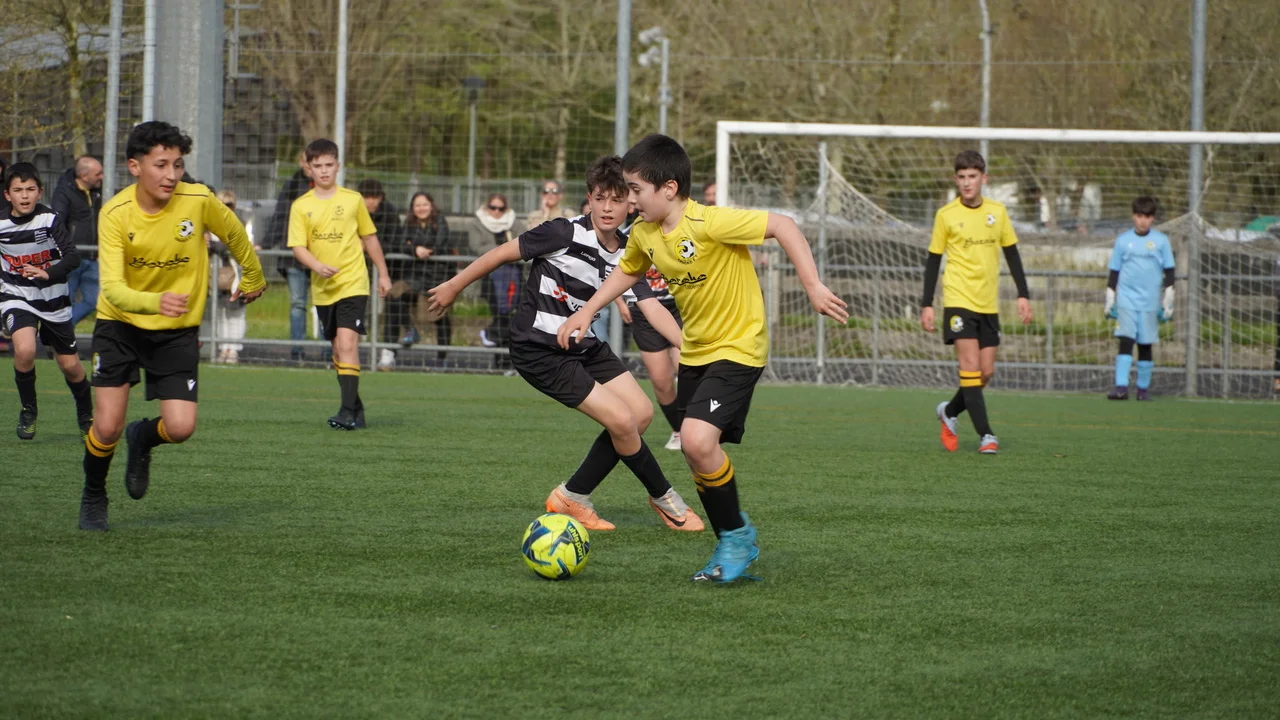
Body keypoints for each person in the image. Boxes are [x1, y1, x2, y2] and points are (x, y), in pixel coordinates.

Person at [557, 135, 848, 583]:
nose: (630, 200)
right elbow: (628, 271)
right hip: (696, 352)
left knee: (694, 440)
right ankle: (735, 536)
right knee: (698, 453)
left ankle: (735, 539)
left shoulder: (710, 222)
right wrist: (587, 310)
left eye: (635, 190)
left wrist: (812, 285)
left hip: (739, 347)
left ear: (669, 188)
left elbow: (784, 226)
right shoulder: (646, 234)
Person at [430, 155, 703, 533]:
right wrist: (453, 286)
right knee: (621, 420)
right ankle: (666, 499)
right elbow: (501, 253)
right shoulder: (562, 232)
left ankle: (572, 496)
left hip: (583, 344)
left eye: (617, 199)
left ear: (631, 204)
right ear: (589, 199)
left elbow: (651, 306)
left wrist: (689, 346)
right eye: (599, 198)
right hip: (539, 348)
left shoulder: (631, 249)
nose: (607, 208)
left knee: (640, 414)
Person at [78, 121, 266, 532]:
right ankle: (94, 495)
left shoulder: (197, 200)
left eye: (177, 165)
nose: (171, 175)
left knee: (180, 428)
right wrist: (155, 301)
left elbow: (234, 232)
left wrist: (252, 275)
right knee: (105, 427)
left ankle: (143, 437)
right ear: (135, 166)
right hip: (120, 325)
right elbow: (112, 289)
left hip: (176, 330)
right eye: (161, 165)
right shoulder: (115, 213)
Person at [920, 150, 1033, 455]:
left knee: (985, 373)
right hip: (958, 300)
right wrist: (927, 303)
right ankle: (987, 435)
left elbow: (1012, 254)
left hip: (988, 304)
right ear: (955, 180)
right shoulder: (946, 215)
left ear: (984, 178)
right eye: (961, 177)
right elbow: (933, 260)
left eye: (972, 176)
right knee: (969, 369)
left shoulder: (998, 212)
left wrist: (1023, 294)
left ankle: (949, 411)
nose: (967, 182)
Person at [288, 139, 391, 429]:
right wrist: (316, 266)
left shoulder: (353, 200)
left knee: (347, 343)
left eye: (328, 165)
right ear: (309, 169)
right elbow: (298, 246)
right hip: (323, 289)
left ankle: (346, 412)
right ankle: (356, 409)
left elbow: (370, 238)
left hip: (353, 282)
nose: (324, 170)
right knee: (337, 350)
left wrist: (383, 273)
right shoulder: (301, 206)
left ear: (338, 166)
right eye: (317, 165)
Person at [1, 162, 91, 440]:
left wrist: (47, 273)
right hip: (17, 296)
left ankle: (86, 414)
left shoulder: (49, 220)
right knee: (25, 350)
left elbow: (73, 258)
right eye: (18, 190)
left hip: (53, 300)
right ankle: (29, 410)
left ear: (40, 192)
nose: (24, 196)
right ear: (7, 195)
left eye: (30, 189)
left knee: (70, 367)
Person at [1104, 196, 1175, 401]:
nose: (1143, 221)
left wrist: (1169, 296)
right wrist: (1110, 296)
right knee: (1125, 341)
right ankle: (1121, 388)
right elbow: (1114, 270)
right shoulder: (1123, 241)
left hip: (1150, 302)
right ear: (1133, 216)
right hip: (1126, 300)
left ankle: (1143, 390)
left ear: (1153, 218)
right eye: (1139, 216)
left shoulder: (1161, 241)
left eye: (1147, 216)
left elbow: (1169, 270)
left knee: (1145, 344)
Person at [264, 151, 313, 359]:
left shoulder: (328, 189)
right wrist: (265, 243)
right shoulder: (291, 187)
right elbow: (280, 216)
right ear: (300, 162)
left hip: (322, 256)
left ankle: (330, 351)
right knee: (297, 304)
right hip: (294, 256)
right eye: (306, 161)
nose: (309, 165)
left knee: (326, 305)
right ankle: (297, 349)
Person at [357, 178, 407, 369]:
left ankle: (388, 352)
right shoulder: (352, 211)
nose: (371, 202)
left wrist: (369, 246)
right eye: (366, 197)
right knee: (353, 307)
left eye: (375, 197)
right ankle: (349, 350)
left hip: (388, 268)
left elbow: (395, 243)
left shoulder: (390, 213)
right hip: (358, 268)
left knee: (392, 307)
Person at [403, 191, 458, 359]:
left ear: (431, 206)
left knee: (440, 315)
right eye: (417, 205)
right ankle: (410, 330)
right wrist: (414, 249)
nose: (421, 208)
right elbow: (401, 243)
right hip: (415, 275)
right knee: (395, 295)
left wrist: (418, 246)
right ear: (412, 208)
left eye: (424, 204)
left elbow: (441, 243)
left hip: (439, 275)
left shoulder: (440, 221)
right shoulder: (409, 223)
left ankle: (442, 357)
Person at [50, 156, 103, 325]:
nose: (102, 177)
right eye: (98, 174)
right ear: (84, 176)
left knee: (93, 301)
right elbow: (57, 223)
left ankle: (61, 330)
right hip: (72, 257)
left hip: (93, 256)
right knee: (66, 302)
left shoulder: (98, 191)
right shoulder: (64, 192)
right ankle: (59, 334)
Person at [208, 189, 252, 364]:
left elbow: (233, 245)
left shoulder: (240, 224)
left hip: (237, 277)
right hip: (216, 277)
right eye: (221, 205)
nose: (225, 208)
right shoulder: (210, 225)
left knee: (236, 315)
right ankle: (223, 347)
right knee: (220, 314)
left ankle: (233, 349)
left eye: (229, 205)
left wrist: (215, 246)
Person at [474, 193, 519, 358]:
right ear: (487, 207)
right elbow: (477, 247)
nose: (497, 212)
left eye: (501, 208)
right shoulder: (478, 223)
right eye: (493, 208)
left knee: (509, 316)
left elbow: (524, 241)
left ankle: (502, 357)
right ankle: (497, 354)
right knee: (499, 314)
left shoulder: (513, 222)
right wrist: (504, 250)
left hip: (513, 277)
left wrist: (504, 250)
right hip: (489, 278)